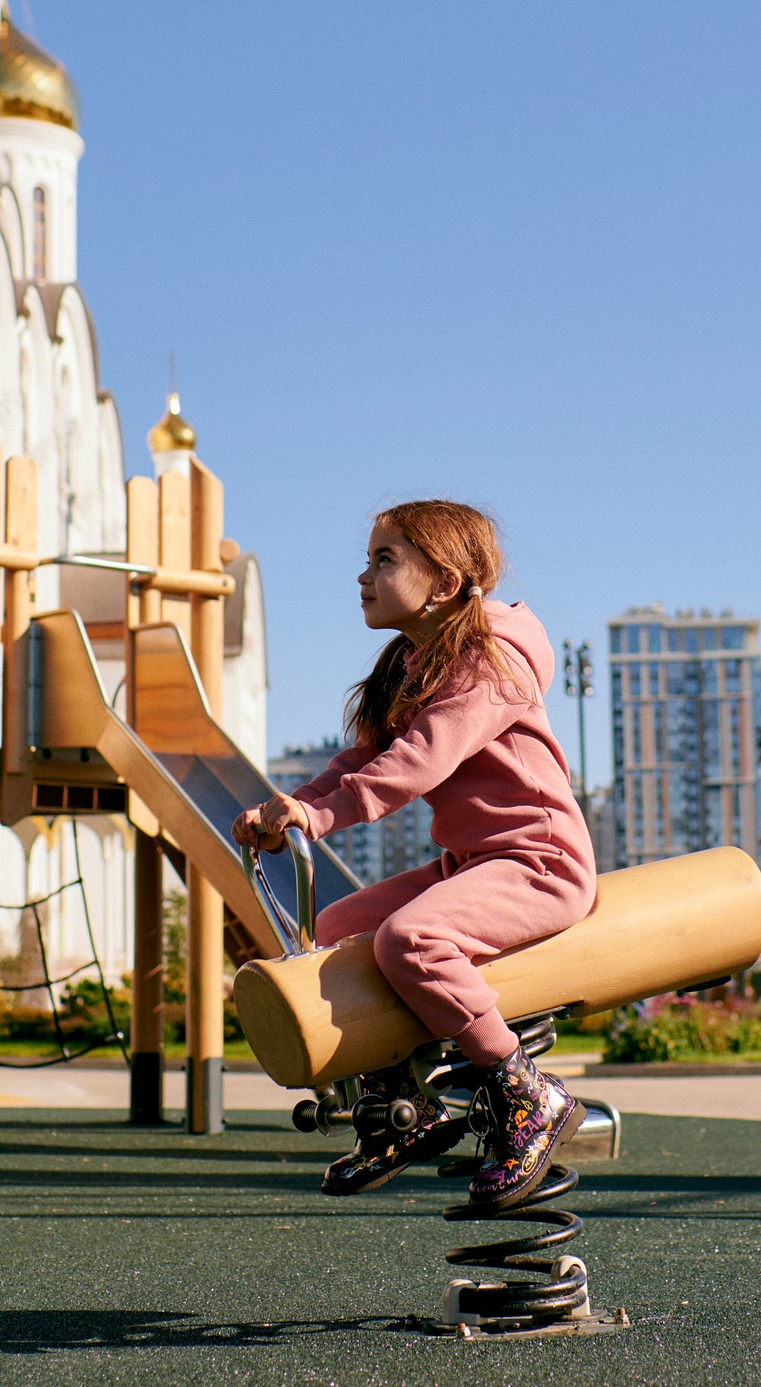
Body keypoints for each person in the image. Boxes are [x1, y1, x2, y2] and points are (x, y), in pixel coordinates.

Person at [231, 500, 596, 1211]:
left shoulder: (491, 658)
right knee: (338, 927)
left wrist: (321, 814)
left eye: (384, 559)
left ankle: (526, 1093)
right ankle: (405, 1109)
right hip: (472, 861)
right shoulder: (410, 660)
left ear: (446, 581)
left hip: (540, 859)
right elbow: (361, 757)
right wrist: (291, 806)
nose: (362, 575)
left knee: (413, 939)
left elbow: (418, 761)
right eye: (369, 558)